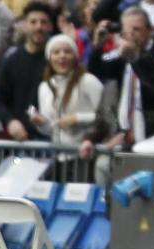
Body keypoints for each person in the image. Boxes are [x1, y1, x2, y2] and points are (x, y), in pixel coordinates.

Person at [88, 6, 154, 149]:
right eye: (126, 31)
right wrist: (97, 47)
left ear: (150, 30)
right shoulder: (121, 53)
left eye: (136, 29)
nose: (131, 35)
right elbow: (97, 70)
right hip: (127, 131)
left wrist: (136, 56)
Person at [33, 34, 103, 175]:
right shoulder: (44, 87)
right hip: (59, 156)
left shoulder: (88, 81)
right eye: (56, 52)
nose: (62, 56)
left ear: (75, 56)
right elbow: (51, 128)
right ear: (50, 57)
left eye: (67, 51)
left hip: (86, 155)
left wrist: (77, 118)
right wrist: (40, 123)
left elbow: (106, 117)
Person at [0, 1, 54, 141]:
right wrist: (10, 121)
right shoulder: (12, 60)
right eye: (33, 22)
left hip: (50, 139)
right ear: (25, 25)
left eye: (43, 22)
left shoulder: (56, 60)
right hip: (19, 140)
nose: (39, 27)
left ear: (50, 26)